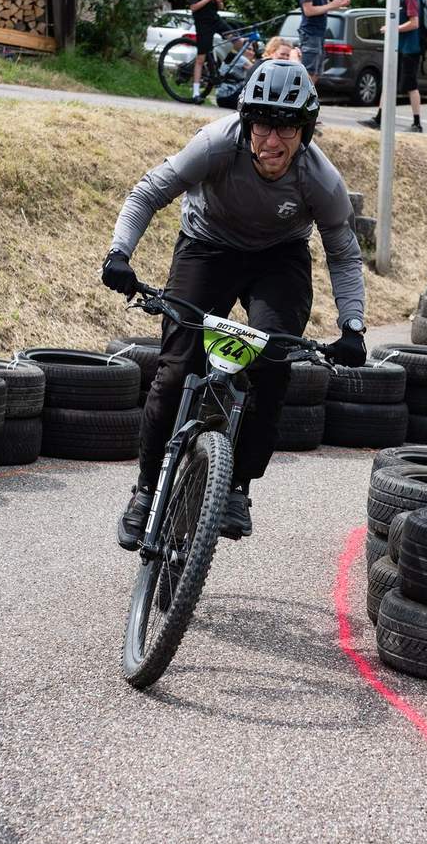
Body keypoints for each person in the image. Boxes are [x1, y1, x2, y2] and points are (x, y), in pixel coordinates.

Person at [101, 59, 369, 550]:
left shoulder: (320, 179)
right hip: (206, 247)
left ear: (305, 131)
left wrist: (353, 325)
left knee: (272, 365)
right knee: (176, 370)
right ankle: (145, 491)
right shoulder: (215, 144)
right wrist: (119, 254)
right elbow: (148, 192)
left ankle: (238, 486)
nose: (273, 140)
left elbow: (344, 254)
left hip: (278, 259)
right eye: (263, 124)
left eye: (287, 127)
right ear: (246, 122)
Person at [363, 0, 425, 134]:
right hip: (397, 47)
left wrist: (392, 28)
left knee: (411, 85)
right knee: (388, 81)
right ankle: (379, 119)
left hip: (410, 48)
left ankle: (417, 123)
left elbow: (414, 23)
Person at [187, 0, 226, 99]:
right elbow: (193, 7)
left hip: (215, 19)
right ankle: (196, 92)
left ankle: (225, 68)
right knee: (201, 58)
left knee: (236, 38)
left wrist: (219, 0)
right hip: (202, 23)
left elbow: (220, 7)